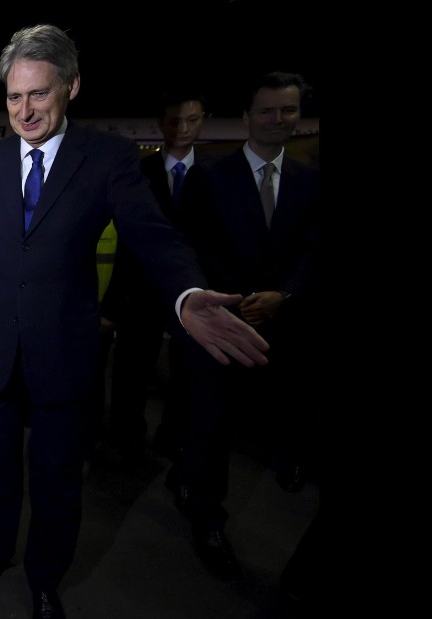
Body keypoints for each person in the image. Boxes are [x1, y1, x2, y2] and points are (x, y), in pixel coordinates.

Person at [0, 26, 269, 618]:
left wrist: (186, 293)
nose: (24, 111)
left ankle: (44, 579)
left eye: (38, 95)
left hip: (64, 352)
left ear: (71, 87)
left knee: (56, 479)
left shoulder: (108, 160)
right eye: (14, 98)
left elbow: (152, 236)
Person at [169, 71, 320, 576]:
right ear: (246, 117)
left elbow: (313, 251)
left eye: (289, 110)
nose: (279, 120)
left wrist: (286, 296)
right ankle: (206, 516)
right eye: (268, 110)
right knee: (209, 427)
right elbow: (189, 248)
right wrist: (235, 302)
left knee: (278, 415)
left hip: (282, 323)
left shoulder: (309, 182)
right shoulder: (208, 177)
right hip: (220, 326)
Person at [97, 90, 207, 464]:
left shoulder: (214, 176)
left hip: (192, 293)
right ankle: (127, 433)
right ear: (161, 124)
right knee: (131, 370)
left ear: (202, 122)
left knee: (186, 371)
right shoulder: (138, 173)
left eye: (192, 120)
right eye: (175, 120)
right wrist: (110, 303)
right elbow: (126, 245)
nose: (183, 129)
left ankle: (173, 435)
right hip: (139, 293)